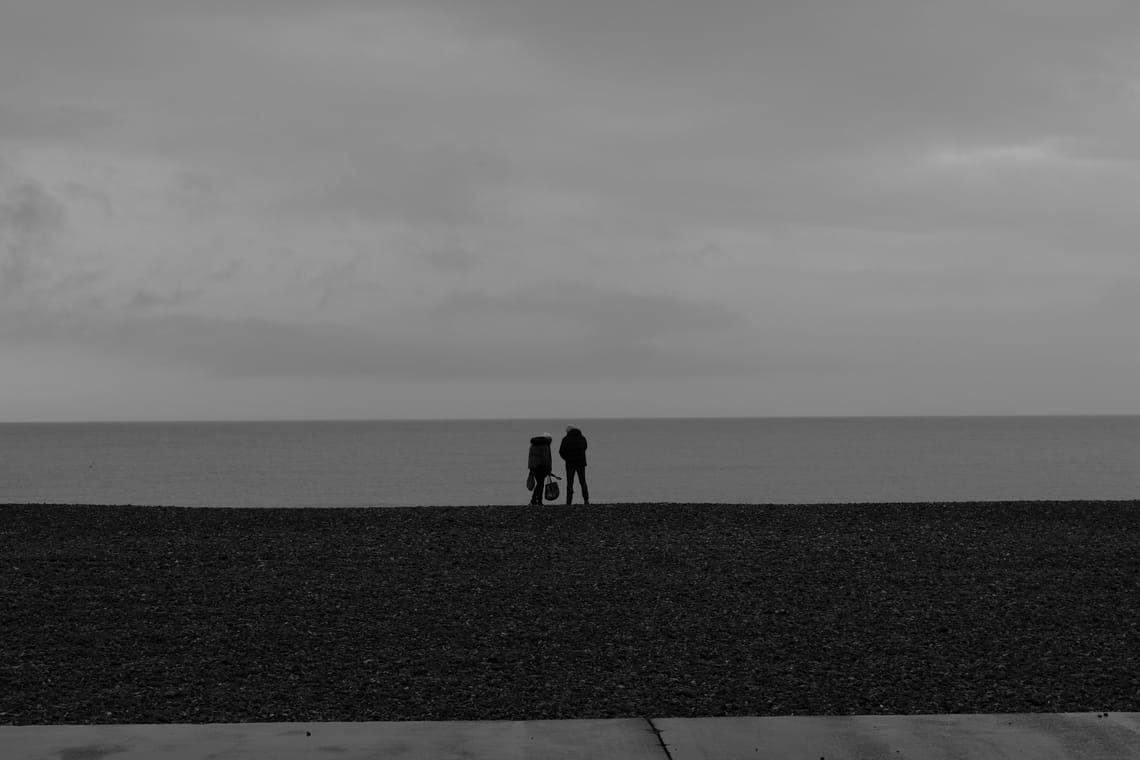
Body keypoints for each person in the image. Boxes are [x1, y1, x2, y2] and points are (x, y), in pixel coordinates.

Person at [558, 425, 589, 505]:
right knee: (583, 481)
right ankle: (586, 500)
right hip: (581, 463)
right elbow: (585, 447)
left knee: (570, 483)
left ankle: (569, 502)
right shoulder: (582, 438)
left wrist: (566, 458)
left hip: (570, 464)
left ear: (568, 432)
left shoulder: (566, 439)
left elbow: (561, 451)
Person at [527, 433, 553, 506]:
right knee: (540, 484)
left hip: (533, 467)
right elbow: (546, 459)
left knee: (539, 484)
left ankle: (534, 500)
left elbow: (530, 457)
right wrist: (549, 469)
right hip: (541, 467)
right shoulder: (545, 446)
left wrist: (530, 468)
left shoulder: (533, 445)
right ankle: (538, 501)